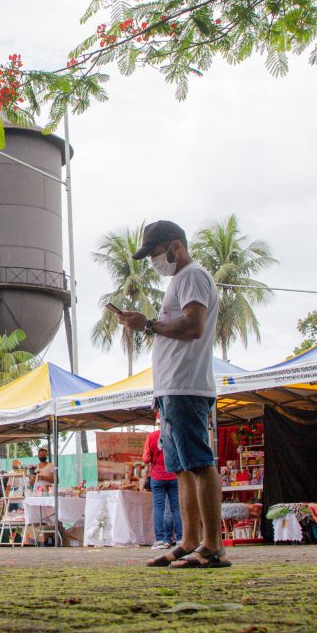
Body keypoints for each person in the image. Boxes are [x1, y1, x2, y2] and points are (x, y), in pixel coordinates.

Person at [110, 219, 227, 569]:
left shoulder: (192, 276)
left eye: (155, 254)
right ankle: (191, 540)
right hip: (172, 388)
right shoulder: (180, 280)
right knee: (181, 468)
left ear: (176, 247)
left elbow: (193, 325)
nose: (153, 262)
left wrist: (146, 324)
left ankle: (213, 546)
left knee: (199, 464)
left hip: (185, 385)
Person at [142, 413, 182, 549]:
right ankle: (180, 538)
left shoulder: (151, 436)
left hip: (157, 477)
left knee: (158, 508)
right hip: (173, 475)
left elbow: (146, 459)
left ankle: (160, 539)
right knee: (176, 508)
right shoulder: (174, 434)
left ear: (157, 422)